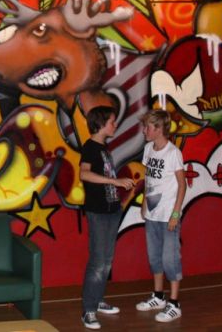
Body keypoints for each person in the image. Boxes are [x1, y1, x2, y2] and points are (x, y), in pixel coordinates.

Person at [80, 105, 134, 330]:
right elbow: (84, 174)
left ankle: (98, 299)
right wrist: (115, 181)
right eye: (112, 121)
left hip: (112, 210)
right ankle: (88, 310)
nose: (115, 125)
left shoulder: (103, 147)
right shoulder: (90, 147)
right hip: (99, 212)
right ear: (101, 124)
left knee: (107, 261)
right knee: (98, 262)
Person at [135, 109, 186, 323]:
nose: (144, 131)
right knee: (154, 256)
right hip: (152, 214)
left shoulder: (173, 153)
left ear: (158, 129)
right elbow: (149, 179)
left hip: (168, 215)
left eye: (147, 127)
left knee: (169, 258)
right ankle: (158, 296)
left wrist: (175, 213)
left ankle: (174, 303)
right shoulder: (148, 149)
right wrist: (144, 203)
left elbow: (182, 185)